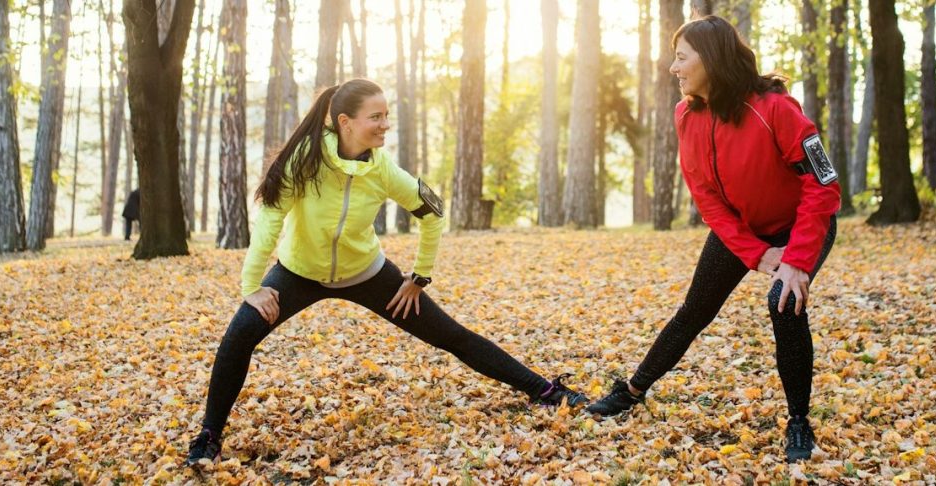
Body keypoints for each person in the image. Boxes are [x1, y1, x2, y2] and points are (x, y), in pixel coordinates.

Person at [185, 79, 587, 466]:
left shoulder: (383, 170)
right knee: (239, 335)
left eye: (386, 115)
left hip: (367, 274)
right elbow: (271, 220)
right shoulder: (305, 160)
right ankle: (209, 437)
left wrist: (419, 277)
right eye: (375, 117)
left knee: (450, 335)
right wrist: (251, 287)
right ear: (345, 122)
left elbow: (433, 214)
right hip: (299, 272)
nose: (385, 125)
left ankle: (545, 390)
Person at [585, 16, 841, 464]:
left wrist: (795, 261)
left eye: (681, 57)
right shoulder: (686, 113)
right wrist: (757, 254)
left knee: (785, 303)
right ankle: (631, 391)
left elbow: (824, 185)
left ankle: (799, 422)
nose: (673, 68)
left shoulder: (777, 109)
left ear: (711, 59)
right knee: (693, 311)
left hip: (801, 226)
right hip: (742, 229)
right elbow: (705, 195)